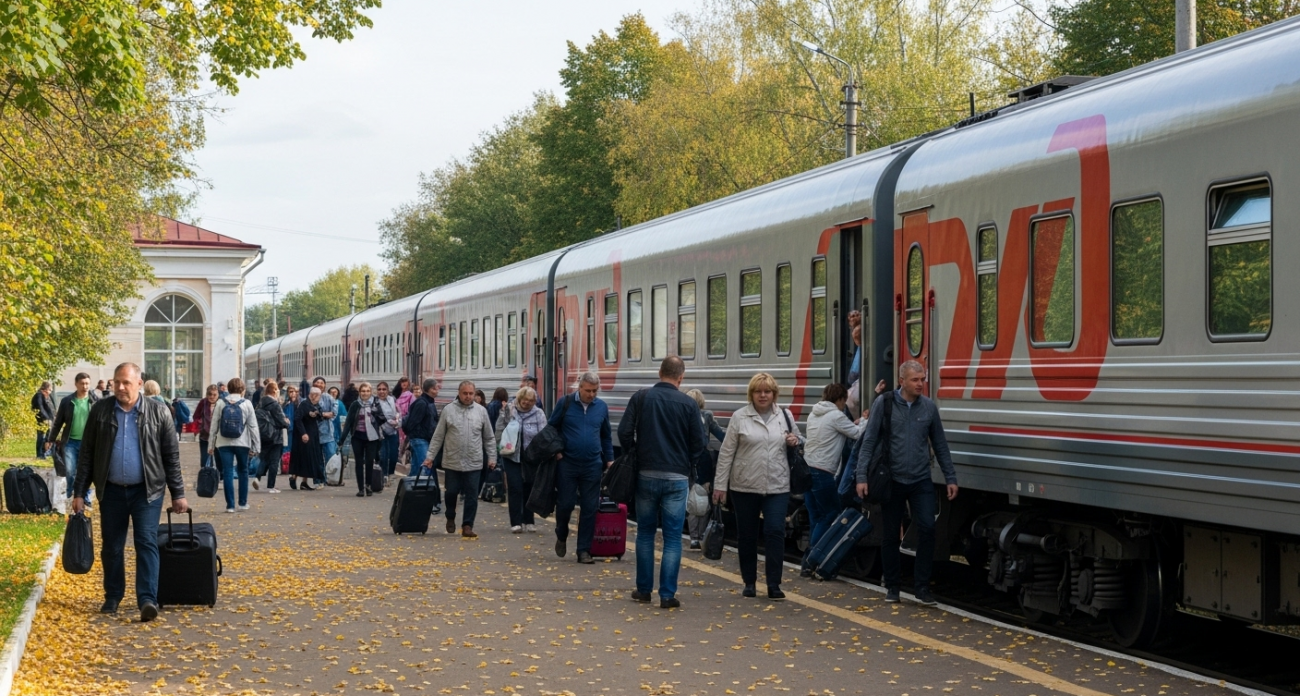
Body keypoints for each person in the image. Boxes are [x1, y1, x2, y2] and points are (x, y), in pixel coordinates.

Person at [70, 362, 187, 622]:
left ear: (139, 384)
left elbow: (171, 457)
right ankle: (113, 595)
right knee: (111, 547)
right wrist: (79, 492)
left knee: (146, 543)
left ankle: (147, 599)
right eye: (116, 382)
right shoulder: (100, 410)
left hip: (147, 491)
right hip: (111, 491)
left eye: (125, 382)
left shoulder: (159, 412)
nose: (120, 387)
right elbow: (87, 455)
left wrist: (178, 493)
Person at [855, 360, 958, 606]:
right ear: (902, 381)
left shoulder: (929, 408)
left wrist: (950, 477)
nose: (920, 384)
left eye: (922, 379)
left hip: (921, 478)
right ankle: (892, 586)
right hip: (893, 479)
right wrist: (861, 477)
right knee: (891, 534)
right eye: (915, 380)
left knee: (927, 528)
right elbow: (869, 441)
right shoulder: (885, 403)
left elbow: (940, 445)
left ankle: (922, 587)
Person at [619, 356, 707, 609]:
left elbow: (624, 432)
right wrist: (686, 462)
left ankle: (644, 590)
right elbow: (699, 443)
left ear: (660, 372)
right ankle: (667, 595)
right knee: (672, 537)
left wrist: (635, 452)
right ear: (681, 377)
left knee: (645, 533)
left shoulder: (641, 397)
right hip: (677, 478)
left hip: (646, 474)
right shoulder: (689, 404)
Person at [712, 372, 803, 600]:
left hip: (777, 486)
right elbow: (726, 453)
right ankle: (749, 581)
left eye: (767, 391)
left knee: (775, 531)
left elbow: (801, 441)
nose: (763, 395)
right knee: (748, 535)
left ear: (774, 394)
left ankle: (774, 584)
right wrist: (720, 485)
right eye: (758, 391)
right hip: (745, 486)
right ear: (751, 394)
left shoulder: (785, 415)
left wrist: (796, 441)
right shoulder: (740, 417)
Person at [800, 383, 867, 576]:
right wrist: (864, 419)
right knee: (830, 514)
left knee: (816, 517)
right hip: (822, 472)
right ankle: (812, 559)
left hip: (807, 469)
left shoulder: (815, 413)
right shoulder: (836, 415)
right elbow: (857, 434)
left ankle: (807, 563)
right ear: (840, 399)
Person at [551, 372, 614, 564]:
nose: (591, 395)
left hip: (592, 464)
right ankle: (561, 533)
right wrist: (557, 451)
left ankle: (583, 550)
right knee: (566, 504)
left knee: (589, 507)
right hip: (568, 463)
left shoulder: (601, 407)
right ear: (579, 387)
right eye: (588, 391)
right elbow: (552, 428)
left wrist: (609, 459)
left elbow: (606, 435)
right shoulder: (566, 403)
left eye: (595, 391)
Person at [424, 381, 495, 538]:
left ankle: (467, 525)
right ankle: (450, 515)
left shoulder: (481, 411)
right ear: (459, 392)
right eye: (465, 393)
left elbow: (489, 437)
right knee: (451, 492)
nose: (468, 396)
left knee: (471, 494)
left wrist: (492, 457)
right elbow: (438, 436)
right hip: (452, 460)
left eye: (471, 394)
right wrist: (430, 457)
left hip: (474, 461)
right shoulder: (449, 410)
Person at [496, 386, 546, 533]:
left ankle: (529, 520)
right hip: (512, 455)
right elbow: (500, 428)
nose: (527, 403)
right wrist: (499, 446)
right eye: (525, 400)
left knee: (529, 488)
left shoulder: (538, 414)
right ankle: (516, 522)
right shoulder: (509, 410)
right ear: (519, 398)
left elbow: (544, 434)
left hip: (531, 457)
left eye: (531, 401)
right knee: (515, 487)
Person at [208, 377, 260, 513]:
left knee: (228, 472)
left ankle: (230, 505)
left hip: (223, 442)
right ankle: (242, 503)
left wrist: (211, 445)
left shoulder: (220, 403)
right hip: (243, 442)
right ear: (242, 389)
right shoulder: (247, 403)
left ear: (229, 389)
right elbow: (253, 426)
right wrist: (256, 447)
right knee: (243, 471)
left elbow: (214, 425)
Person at [46, 373, 96, 508]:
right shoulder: (67, 401)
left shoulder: (94, 401)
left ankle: (84, 496)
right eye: (82, 383)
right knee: (70, 470)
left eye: (87, 383)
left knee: (85, 471)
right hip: (70, 442)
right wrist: (50, 439)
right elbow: (58, 422)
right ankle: (71, 495)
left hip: (88, 443)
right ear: (76, 384)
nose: (85, 386)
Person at [684, 389, 726, 550]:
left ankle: (694, 537)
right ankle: (701, 535)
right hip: (704, 461)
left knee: (691, 500)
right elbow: (721, 436)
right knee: (702, 498)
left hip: (687, 461)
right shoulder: (707, 415)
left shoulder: (683, 415)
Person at [342, 382, 384, 497]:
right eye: (363, 391)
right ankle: (361, 488)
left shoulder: (375, 404)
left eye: (367, 391)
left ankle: (368, 486)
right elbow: (348, 423)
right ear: (359, 393)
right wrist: (341, 440)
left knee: (370, 461)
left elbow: (382, 419)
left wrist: (375, 414)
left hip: (372, 437)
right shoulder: (355, 405)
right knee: (359, 463)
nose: (365, 393)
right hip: (358, 436)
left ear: (371, 392)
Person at [289, 388, 325, 491]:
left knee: (309, 457)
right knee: (304, 456)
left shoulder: (314, 405)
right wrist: (303, 433)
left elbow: (320, 416)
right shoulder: (304, 404)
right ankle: (294, 477)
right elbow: (298, 419)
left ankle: (304, 482)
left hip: (312, 434)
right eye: (318, 396)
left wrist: (316, 414)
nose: (319, 398)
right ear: (313, 395)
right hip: (305, 435)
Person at [256, 381, 288, 493]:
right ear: (275, 391)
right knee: (274, 461)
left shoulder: (261, 403)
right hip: (276, 435)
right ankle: (271, 486)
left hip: (264, 434)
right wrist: (287, 422)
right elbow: (281, 421)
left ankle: (257, 477)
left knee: (264, 458)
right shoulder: (275, 404)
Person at [404, 379, 441, 475]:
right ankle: (428, 488)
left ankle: (410, 488)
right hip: (419, 439)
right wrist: (415, 436)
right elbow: (412, 423)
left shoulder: (429, 403)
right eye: (436, 388)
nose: (438, 391)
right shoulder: (422, 403)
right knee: (426, 466)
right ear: (430, 389)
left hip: (423, 439)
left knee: (416, 469)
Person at [313, 377, 337, 487]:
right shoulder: (308, 398)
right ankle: (319, 480)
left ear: (325, 385)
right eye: (317, 383)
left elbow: (333, 413)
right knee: (317, 458)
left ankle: (331, 479)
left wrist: (321, 414)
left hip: (328, 433)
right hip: (313, 433)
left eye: (321, 383)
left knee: (330, 457)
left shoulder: (329, 398)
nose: (319, 384)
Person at [374, 382, 401, 478]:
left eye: (384, 389)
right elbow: (377, 416)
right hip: (382, 430)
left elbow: (399, 411)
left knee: (394, 454)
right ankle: (384, 474)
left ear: (388, 390)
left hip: (394, 430)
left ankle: (391, 472)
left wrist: (398, 421)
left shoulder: (392, 399)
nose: (381, 391)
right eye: (379, 389)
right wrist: (390, 421)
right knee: (383, 454)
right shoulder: (375, 402)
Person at [194, 385, 220, 475]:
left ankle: (219, 476)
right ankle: (207, 477)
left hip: (219, 437)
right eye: (210, 394)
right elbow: (196, 416)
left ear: (218, 395)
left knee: (219, 460)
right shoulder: (203, 402)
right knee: (205, 460)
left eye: (214, 395)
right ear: (206, 394)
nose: (212, 397)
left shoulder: (221, 403)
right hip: (205, 435)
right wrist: (201, 423)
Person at [31, 381, 55, 458]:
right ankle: (40, 454)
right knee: (41, 436)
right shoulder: (39, 396)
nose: (50, 392)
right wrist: (46, 418)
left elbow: (52, 407)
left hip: (50, 420)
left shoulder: (48, 396)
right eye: (50, 390)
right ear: (45, 389)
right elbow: (40, 408)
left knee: (48, 437)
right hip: (42, 420)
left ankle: (45, 452)